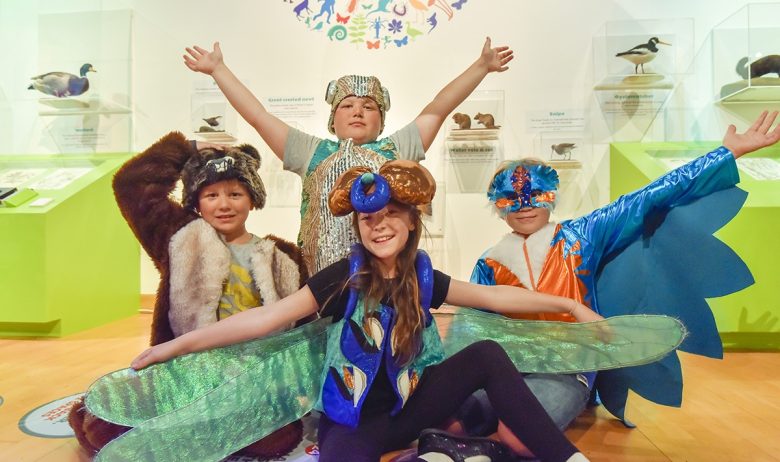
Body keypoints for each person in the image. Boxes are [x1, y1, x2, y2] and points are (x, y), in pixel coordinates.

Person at [130, 159, 602, 462]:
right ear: (358, 225)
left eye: (391, 214)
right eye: (368, 219)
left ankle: (565, 458)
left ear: (412, 220)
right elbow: (265, 318)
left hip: (412, 406)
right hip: (357, 420)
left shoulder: (422, 275)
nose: (380, 227)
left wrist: (568, 304)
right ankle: (433, 449)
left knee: (486, 354)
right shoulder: (345, 276)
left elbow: (496, 297)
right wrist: (176, 345)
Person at [458, 110, 780, 454]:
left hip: (568, 367)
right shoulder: (489, 261)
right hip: (509, 367)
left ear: (551, 196)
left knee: (518, 437)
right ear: (498, 207)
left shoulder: (580, 237)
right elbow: (478, 329)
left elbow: (649, 196)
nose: (524, 207)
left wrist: (726, 153)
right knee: (453, 420)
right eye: (511, 200)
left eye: (535, 195)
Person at [67, 132, 308, 458]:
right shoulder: (179, 235)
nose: (224, 204)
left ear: (252, 198)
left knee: (277, 437)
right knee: (100, 425)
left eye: (236, 193)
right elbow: (130, 184)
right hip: (184, 372)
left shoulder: (285, 256)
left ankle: (197, 431)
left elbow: (301, 328)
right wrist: (187, 149)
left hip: (253, 379)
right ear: (195, 202)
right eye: (211, 195)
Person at [183, 37, 513, 274]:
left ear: (381, 120)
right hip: (322, 277)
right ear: (332, 119)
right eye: (347, 106)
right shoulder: (310, 151)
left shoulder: (396, 149)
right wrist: (218, 71)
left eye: (368, 106)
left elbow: (439, 108)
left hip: (385, 273)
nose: (358, 112)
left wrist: (481, 67)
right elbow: (258, 115)